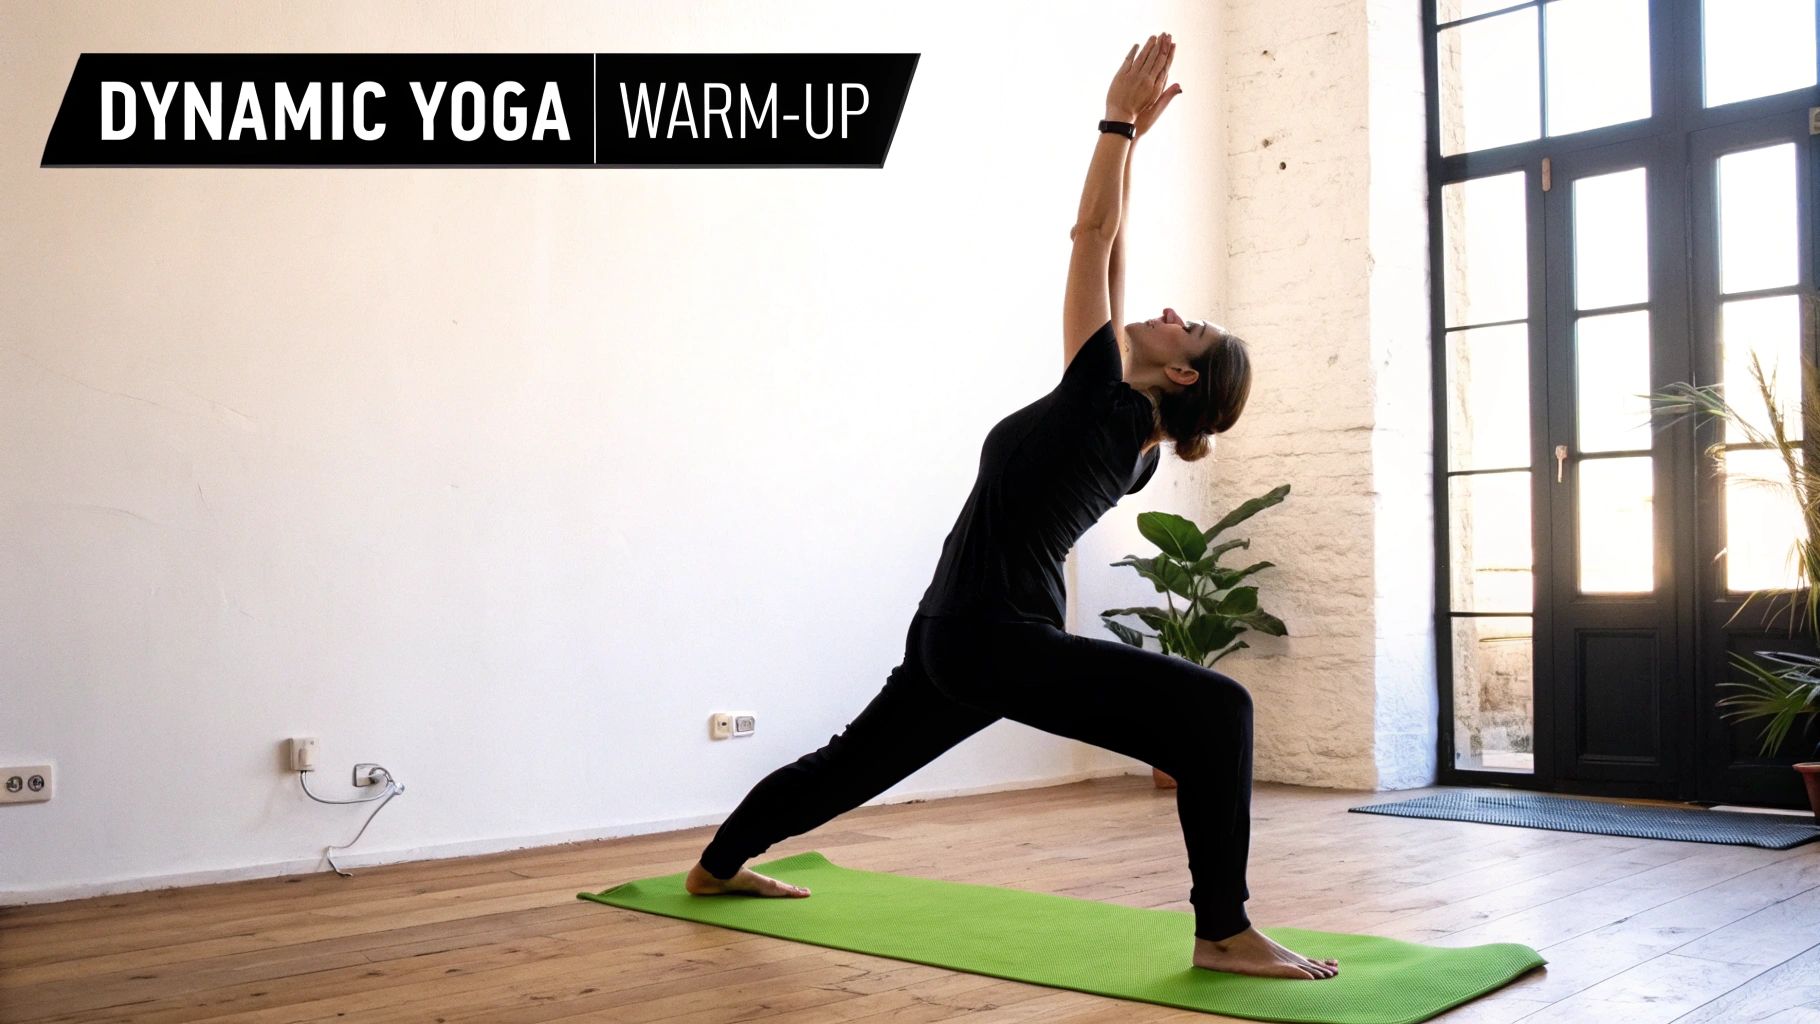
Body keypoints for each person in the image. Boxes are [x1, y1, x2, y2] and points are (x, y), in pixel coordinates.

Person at [684, 34, 1336, 981]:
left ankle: (716, 868)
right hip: (984, 636)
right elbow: (1112, 254)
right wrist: (1134, 149)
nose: (1162, 309)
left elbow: (1090, 244)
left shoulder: (1102, 406)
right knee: (1208, 712)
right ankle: (1221, 932)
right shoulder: (1125, 433)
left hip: (970, 634)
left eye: (1183, 323)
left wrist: (1115, 121)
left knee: (857, 763)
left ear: (1181, 370)